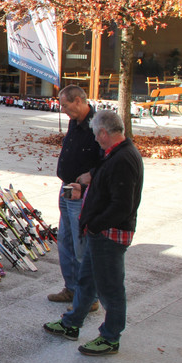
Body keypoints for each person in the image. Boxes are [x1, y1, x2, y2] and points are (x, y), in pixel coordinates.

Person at [44, 109, 144, 355]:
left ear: (104, 133)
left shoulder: (123, 159)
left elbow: (123, 205)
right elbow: (107, 190)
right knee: (86, 281)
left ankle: (110, 337)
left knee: (111, 289)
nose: (96, 140)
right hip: (99, 233)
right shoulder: (115, 154)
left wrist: (96, 224)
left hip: (109, 235)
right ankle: (71, 323)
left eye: (97, 135)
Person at [50, 86, 102, 311]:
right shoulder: (75, 122)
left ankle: (89, 297)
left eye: (65, 105)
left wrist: (89, 177)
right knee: (65, 241)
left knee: (81, 245)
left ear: (79, 101)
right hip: (67, 187)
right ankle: (71, 288)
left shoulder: (97, 125)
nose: (63, 110)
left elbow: (107, 159)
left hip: (82, 192)